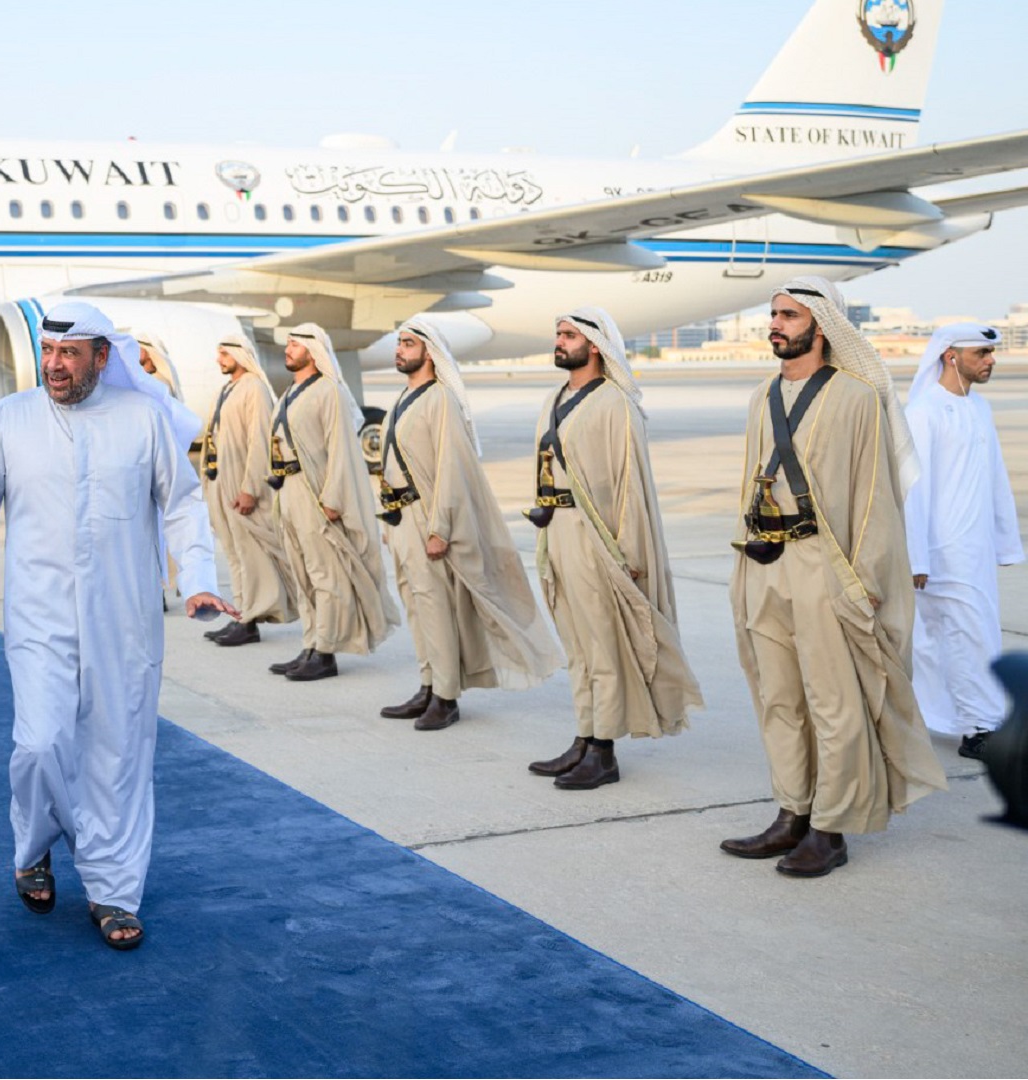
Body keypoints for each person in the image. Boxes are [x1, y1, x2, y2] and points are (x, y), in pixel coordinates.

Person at [0, 300, 233, 953]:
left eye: (70, 354)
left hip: (124, 616)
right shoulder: (11, 419)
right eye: (49, 353)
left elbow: (184, 505)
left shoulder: (142, 419)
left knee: (118, 753)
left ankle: (112, 888)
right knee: (40, 743)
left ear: (102, 357)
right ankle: (34, 847)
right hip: (37, 612)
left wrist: (197, 579)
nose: (55, 365)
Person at [722, 276, 947, 877]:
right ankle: (793, 811)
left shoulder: (854, 397)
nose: (776, 324)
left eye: (789, 315)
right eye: (773, 314)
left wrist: (866, 577)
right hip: (765, 562)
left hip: (827, 567)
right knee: (778, 697)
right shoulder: (760, 396)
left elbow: (877, 497)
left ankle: (832, 826)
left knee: (834, 700)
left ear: (821, 326)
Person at [523, 309, 701, 788]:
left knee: (602, 645)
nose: (559, 341)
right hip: (556, 530)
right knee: (577, 643)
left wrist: (628, 554)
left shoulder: (614, 404)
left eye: (569, 335)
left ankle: (603, 751)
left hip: (595, 538)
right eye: (557, 333)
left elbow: (630, 488)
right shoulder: (556, 397)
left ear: (595, 345)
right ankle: (584, 736)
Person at [376, 317, 560, 729]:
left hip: (427, 518)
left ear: (429, 352)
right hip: (401, 517)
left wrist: (439, 526)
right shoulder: (404, 398)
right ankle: (427, 684)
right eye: (399, 343)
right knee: (416, 603)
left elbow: (451, 468)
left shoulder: (440, 399)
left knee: (435, 606)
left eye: (408, 344)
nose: (400, 350)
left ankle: (446, 695)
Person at [903, 323, 1022, 760]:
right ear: (951, 356)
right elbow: (912, 491)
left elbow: (995, 481)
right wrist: (916, 555)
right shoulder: (923, 412)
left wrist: (1005, 543)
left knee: (961, 637)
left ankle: (946, 717)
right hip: (941, 554)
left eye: (992, 353)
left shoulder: (980, 409)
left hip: (976, 552)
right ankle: (980, 729)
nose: (991, 361)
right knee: (962, 638)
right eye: (982, 354)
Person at [264, 324, 397, 681]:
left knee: (325, 572)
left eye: (295, 344)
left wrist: (333, 498)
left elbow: (341, 449)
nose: (288, 349)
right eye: (288, 344)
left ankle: (325, 652)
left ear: (313, 350)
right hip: (289, 490)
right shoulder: (291, 392)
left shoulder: (329, 391)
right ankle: (310, 643)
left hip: (315, 493)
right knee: (302, 569)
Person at [199, 338, 298, 646]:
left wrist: (250, 488)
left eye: (224, 353)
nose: (219, 359)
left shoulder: (254, 388)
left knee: (251, 554)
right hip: (221, 482)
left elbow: (259, 441)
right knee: (234, 553)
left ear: (241, 355)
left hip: (242, 485)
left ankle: (251, 618)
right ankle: (241, 616)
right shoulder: (228, 388)